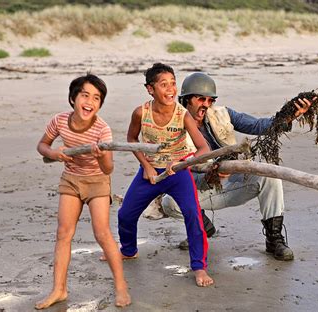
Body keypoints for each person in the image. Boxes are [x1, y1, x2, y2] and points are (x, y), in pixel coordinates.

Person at [155, 72, 314, 262]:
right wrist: (208, 177)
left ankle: (275, 240)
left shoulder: (223, 114)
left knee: (270, 176)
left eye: (210, 100)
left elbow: (258, 125)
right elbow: (178, 175)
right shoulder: (173, 127)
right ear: (186, 99)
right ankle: (201, 227)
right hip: (200, 189)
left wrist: (288, 116)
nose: (205, 104)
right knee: (169, 202)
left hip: (233, 182)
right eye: (200, 99)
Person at [35, 74, 131, 309]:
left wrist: (101, 158)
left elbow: (109, 168)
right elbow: (42, 145)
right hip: (71, 179)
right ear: (73, 98)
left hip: (98, 181)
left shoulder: (102, 129)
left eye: (96, 98)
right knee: (63, 233)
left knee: (102, 233)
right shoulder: (59, 121)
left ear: (100, 104)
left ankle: (121, 287)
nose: (90, 101)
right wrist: (54, 154)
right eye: (85, 95)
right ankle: (59, 289)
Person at [116, 63, 213, 287]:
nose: (170, 89)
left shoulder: (183, 115)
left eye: (173, 83)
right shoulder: (141, 112)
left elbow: (203, 149)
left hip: (178, 174)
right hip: (150, 172)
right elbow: (132, 140)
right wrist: (147, 167)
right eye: (163, 84)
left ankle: (199, 267)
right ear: (150, 89)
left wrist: (182, 163)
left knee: (193, 216)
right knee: (125, 215)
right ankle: (129, 250)